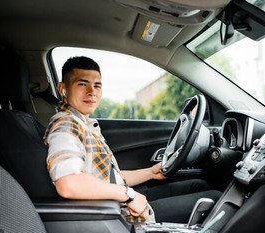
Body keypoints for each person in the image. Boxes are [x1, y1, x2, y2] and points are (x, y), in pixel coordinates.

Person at [44, 56, 222, 223]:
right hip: (121, 216)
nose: (92, 92)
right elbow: (68, 183)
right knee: (214, 198)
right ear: (62, 89)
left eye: (97, 85)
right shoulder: (66, 126)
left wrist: (151, 172)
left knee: (199, 185)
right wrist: (129, 195)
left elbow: (111, 177)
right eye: (82, 84)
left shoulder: (84, 124)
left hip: (117, 202)